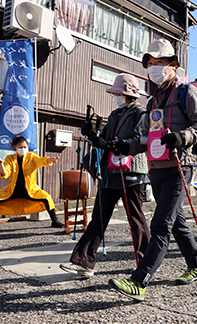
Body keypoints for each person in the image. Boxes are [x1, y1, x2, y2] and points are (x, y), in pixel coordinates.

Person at [107, 39, 197, 301]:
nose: (153, 68)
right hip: (156, 169)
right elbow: (145, 138)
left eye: (159, 63)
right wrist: (126, 146)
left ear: (173, 65)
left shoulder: (187, 92)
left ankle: (139, 281)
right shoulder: (153, 102)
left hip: (180, 166)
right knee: (177, 222)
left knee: (161, 223)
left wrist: (182, 137)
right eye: (150, 64)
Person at [59, 73, 150, 277]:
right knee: (99, 217)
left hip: (131, 171)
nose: (115, 96)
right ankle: (83, 262)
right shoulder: (115, 114)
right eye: (114, 93)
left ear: (129, 94)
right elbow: (103, 140)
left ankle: (146, 262)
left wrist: (110, 144)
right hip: (110, 172)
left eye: (119, 93)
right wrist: (91, 134)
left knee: (135, 218)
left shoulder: (140, 113)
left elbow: (139, 140)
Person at [0, 136, 62, 233]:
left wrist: (49, 160)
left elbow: (41, 161)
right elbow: (5, 174)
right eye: (20, 147)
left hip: (30, 189)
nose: (23, 149)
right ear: (15, 147)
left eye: (25, 147)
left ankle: (55, 221)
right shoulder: (10, 158)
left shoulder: (32, 157)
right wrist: (1, 163)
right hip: (13, 190)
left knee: (47, 198)